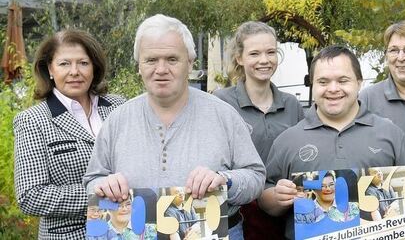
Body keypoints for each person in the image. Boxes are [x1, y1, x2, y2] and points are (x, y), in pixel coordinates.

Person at [83, 14, 265, 240]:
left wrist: (225, 180)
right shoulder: (117, 121)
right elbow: (92, 180)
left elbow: (256, 178)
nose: (161, 69)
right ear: (139, 66)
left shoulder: (223, 115)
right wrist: (103, 185)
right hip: (137, 233)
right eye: (151, 60)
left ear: (189, 63)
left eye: (172, 59)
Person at [258, 45, 405, 239]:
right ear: (313, 85)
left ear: (359, 83)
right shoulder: (288, 140)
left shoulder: (390, 133)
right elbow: (265, 198)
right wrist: (277, 197)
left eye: (343, 80)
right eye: (323, 81)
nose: (333, 89)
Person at [13, 29, 125, 239]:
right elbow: (30, 196)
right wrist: (98, 196)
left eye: (83, 63)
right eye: (64, 63)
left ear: (94, 68)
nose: (75, 71)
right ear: (50, 69)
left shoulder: (119, 107)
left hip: (126, 231)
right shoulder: (33, 120)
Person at [213, 21, 304, 240]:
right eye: (254, 53)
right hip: (240, 213)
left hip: (287, 208)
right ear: (239, 58)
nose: (264, 60)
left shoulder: (292, 104)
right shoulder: (220, 103)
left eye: (270, 52)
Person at [295, 171, 359, 224]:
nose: (328, 189)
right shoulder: (304, 214)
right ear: (314, 190)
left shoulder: (352, 208)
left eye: (331, 185)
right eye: (322, 186)